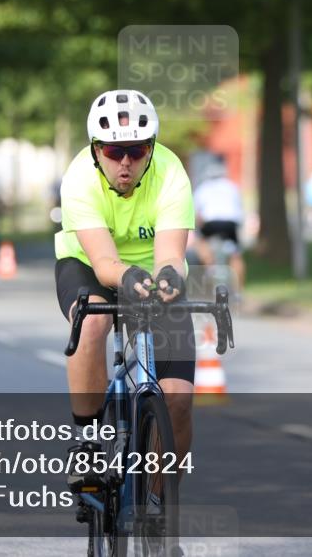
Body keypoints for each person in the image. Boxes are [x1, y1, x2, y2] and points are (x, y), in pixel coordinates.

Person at [54, 89, 195, 491]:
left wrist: (169, 279)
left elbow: (170, 255)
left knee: (179, 400)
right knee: (93, 323)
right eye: (115, 152)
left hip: (152, 271)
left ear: (151, 148)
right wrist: (127, 277)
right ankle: (86, 441)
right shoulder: (79, 178)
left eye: (136, 150)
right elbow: (104, 264)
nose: (126, 163)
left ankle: (160, 515)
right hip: (89, 265)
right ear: (96, 150)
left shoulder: (171, 172)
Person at [192, 157, 246, 290]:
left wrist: (198, 229)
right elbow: (239, 209)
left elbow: (196, 214)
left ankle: (210, 265)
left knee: (199, 242)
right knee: (236, 255)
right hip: (230, 224)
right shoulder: (232, 186)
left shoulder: (203, 188)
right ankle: (239, 290)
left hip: (211, 224)